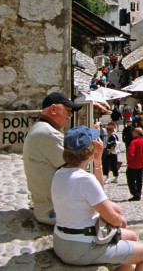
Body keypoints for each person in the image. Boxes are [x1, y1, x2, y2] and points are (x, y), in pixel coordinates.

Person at [51, 126, 143, 269]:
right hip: (81, 246)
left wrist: (97, 162)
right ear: (88, 150)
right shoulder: (84, 179)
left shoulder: (59, 173)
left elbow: (98, 193)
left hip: (61, 240)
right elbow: (114, 219)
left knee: (130, 238)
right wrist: (118, 219)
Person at [23, 92, 103, 225]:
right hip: (55, 211)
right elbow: (79, 168)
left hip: (47, 206)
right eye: (68, 110)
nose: (70, 114)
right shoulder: (49, 134)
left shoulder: (40, 129)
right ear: (53, 109)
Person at [126, 127, 143, 201]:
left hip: (133, 164)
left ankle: (135, 193)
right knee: (139, 180)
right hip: (141, 163)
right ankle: (138, 193)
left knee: (131, 180)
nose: (132, 133)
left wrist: (128, 160)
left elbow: (130, 153)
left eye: (133, 132)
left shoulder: (134, 142)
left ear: (136, 133)